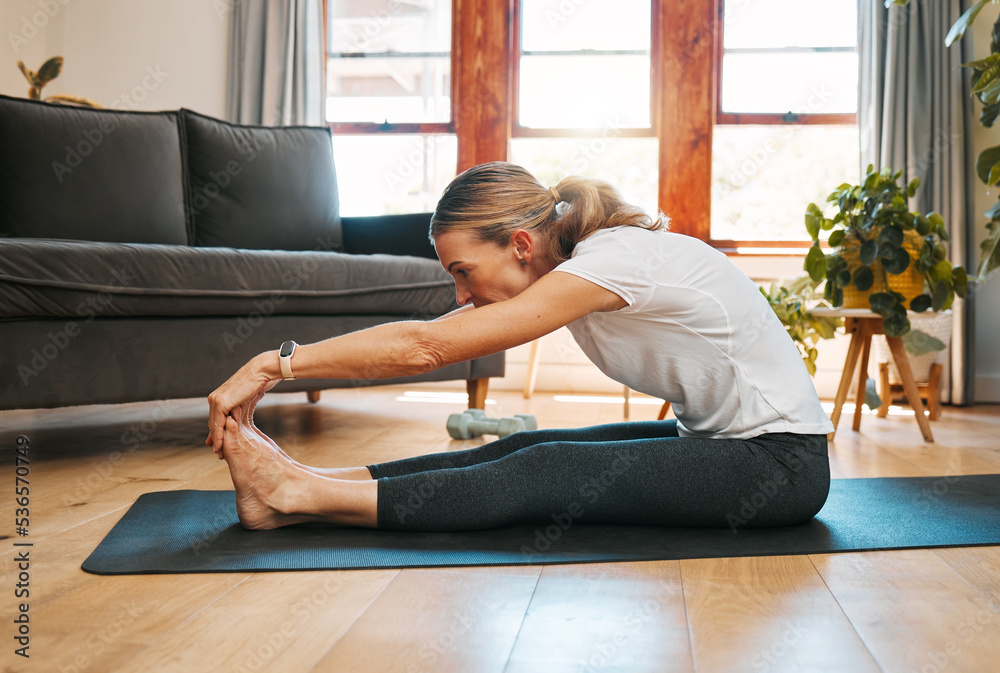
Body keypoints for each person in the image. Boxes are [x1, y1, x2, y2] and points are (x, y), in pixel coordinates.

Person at [205, 161, 834, 532]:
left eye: (462, 271)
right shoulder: (584, 264)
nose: (460, 294)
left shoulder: (616, 260)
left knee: (550, 470)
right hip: (716, 445)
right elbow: (433, 337)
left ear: (521, 246)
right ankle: (303, 484)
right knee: (527, 445)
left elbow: (425, 347)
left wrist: (274, 363)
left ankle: (296, 495)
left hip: (780, 467)